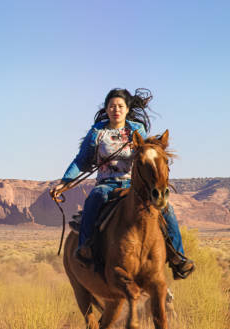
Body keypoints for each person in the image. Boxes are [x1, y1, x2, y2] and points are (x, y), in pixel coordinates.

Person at [50, 88, 194, 279]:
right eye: (112, 106)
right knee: (94, 199)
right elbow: (81, 160)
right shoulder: (98, 132)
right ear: (107, 109)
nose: (115, 109)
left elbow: (147, 153)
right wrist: (65, 182)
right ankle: (85, 249)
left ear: (127, 109)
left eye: (120, 106)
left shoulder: (136, 130)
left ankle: (177, 257)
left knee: (166, 209)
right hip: (106, 184)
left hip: (133, 185)